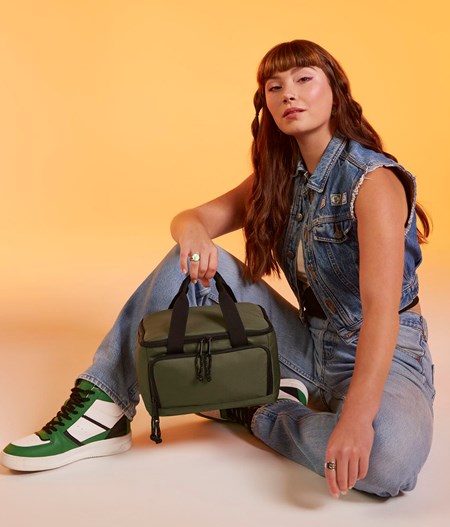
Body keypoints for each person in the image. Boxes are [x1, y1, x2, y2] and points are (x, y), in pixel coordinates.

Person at [1, 40, 434, 499]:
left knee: (387, 462)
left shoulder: (373, 182)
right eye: (275, 86)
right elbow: (191, 219)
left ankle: (255, 410)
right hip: (308, 344)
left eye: (304, 79)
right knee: (185, 261)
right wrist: (193, 236)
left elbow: (381, 313)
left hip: (387, 352)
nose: (289, 93)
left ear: (336, 90)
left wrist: (357, 420)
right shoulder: (280, 176)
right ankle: (104, 406)